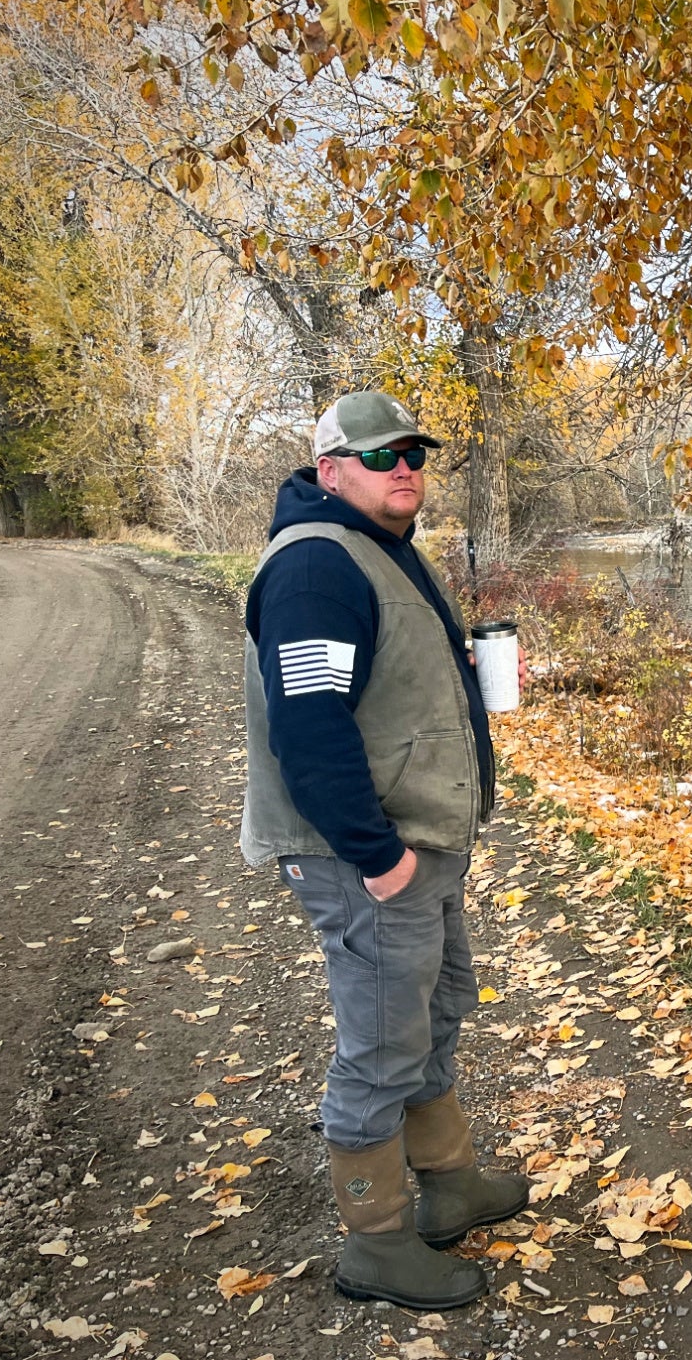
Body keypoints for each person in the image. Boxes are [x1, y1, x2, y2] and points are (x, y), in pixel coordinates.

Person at [240, 391, 528, 1310]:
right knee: (378, 1041)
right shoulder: (318, 565)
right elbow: (310, 723)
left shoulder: (376, 548)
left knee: (433, 1011)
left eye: (411, 451)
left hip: (418, 842)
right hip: (371, 854)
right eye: (378, 455)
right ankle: (376, 1239)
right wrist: (376, 854)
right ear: (330, 470)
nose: (403, 466)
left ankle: (448, 1186)